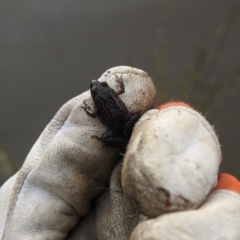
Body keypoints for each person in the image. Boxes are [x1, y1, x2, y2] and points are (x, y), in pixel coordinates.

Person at [0, 66, 240, 240]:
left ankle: (133, 138)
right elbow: (116, 95)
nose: (97, 88)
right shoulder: (112, 94)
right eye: (97, 89)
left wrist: (93, 114)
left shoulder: (99, 103)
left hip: (121, 125)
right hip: (124, 122)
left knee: (123, 135)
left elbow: (96, 114)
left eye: (98, 89)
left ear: (100, 94)